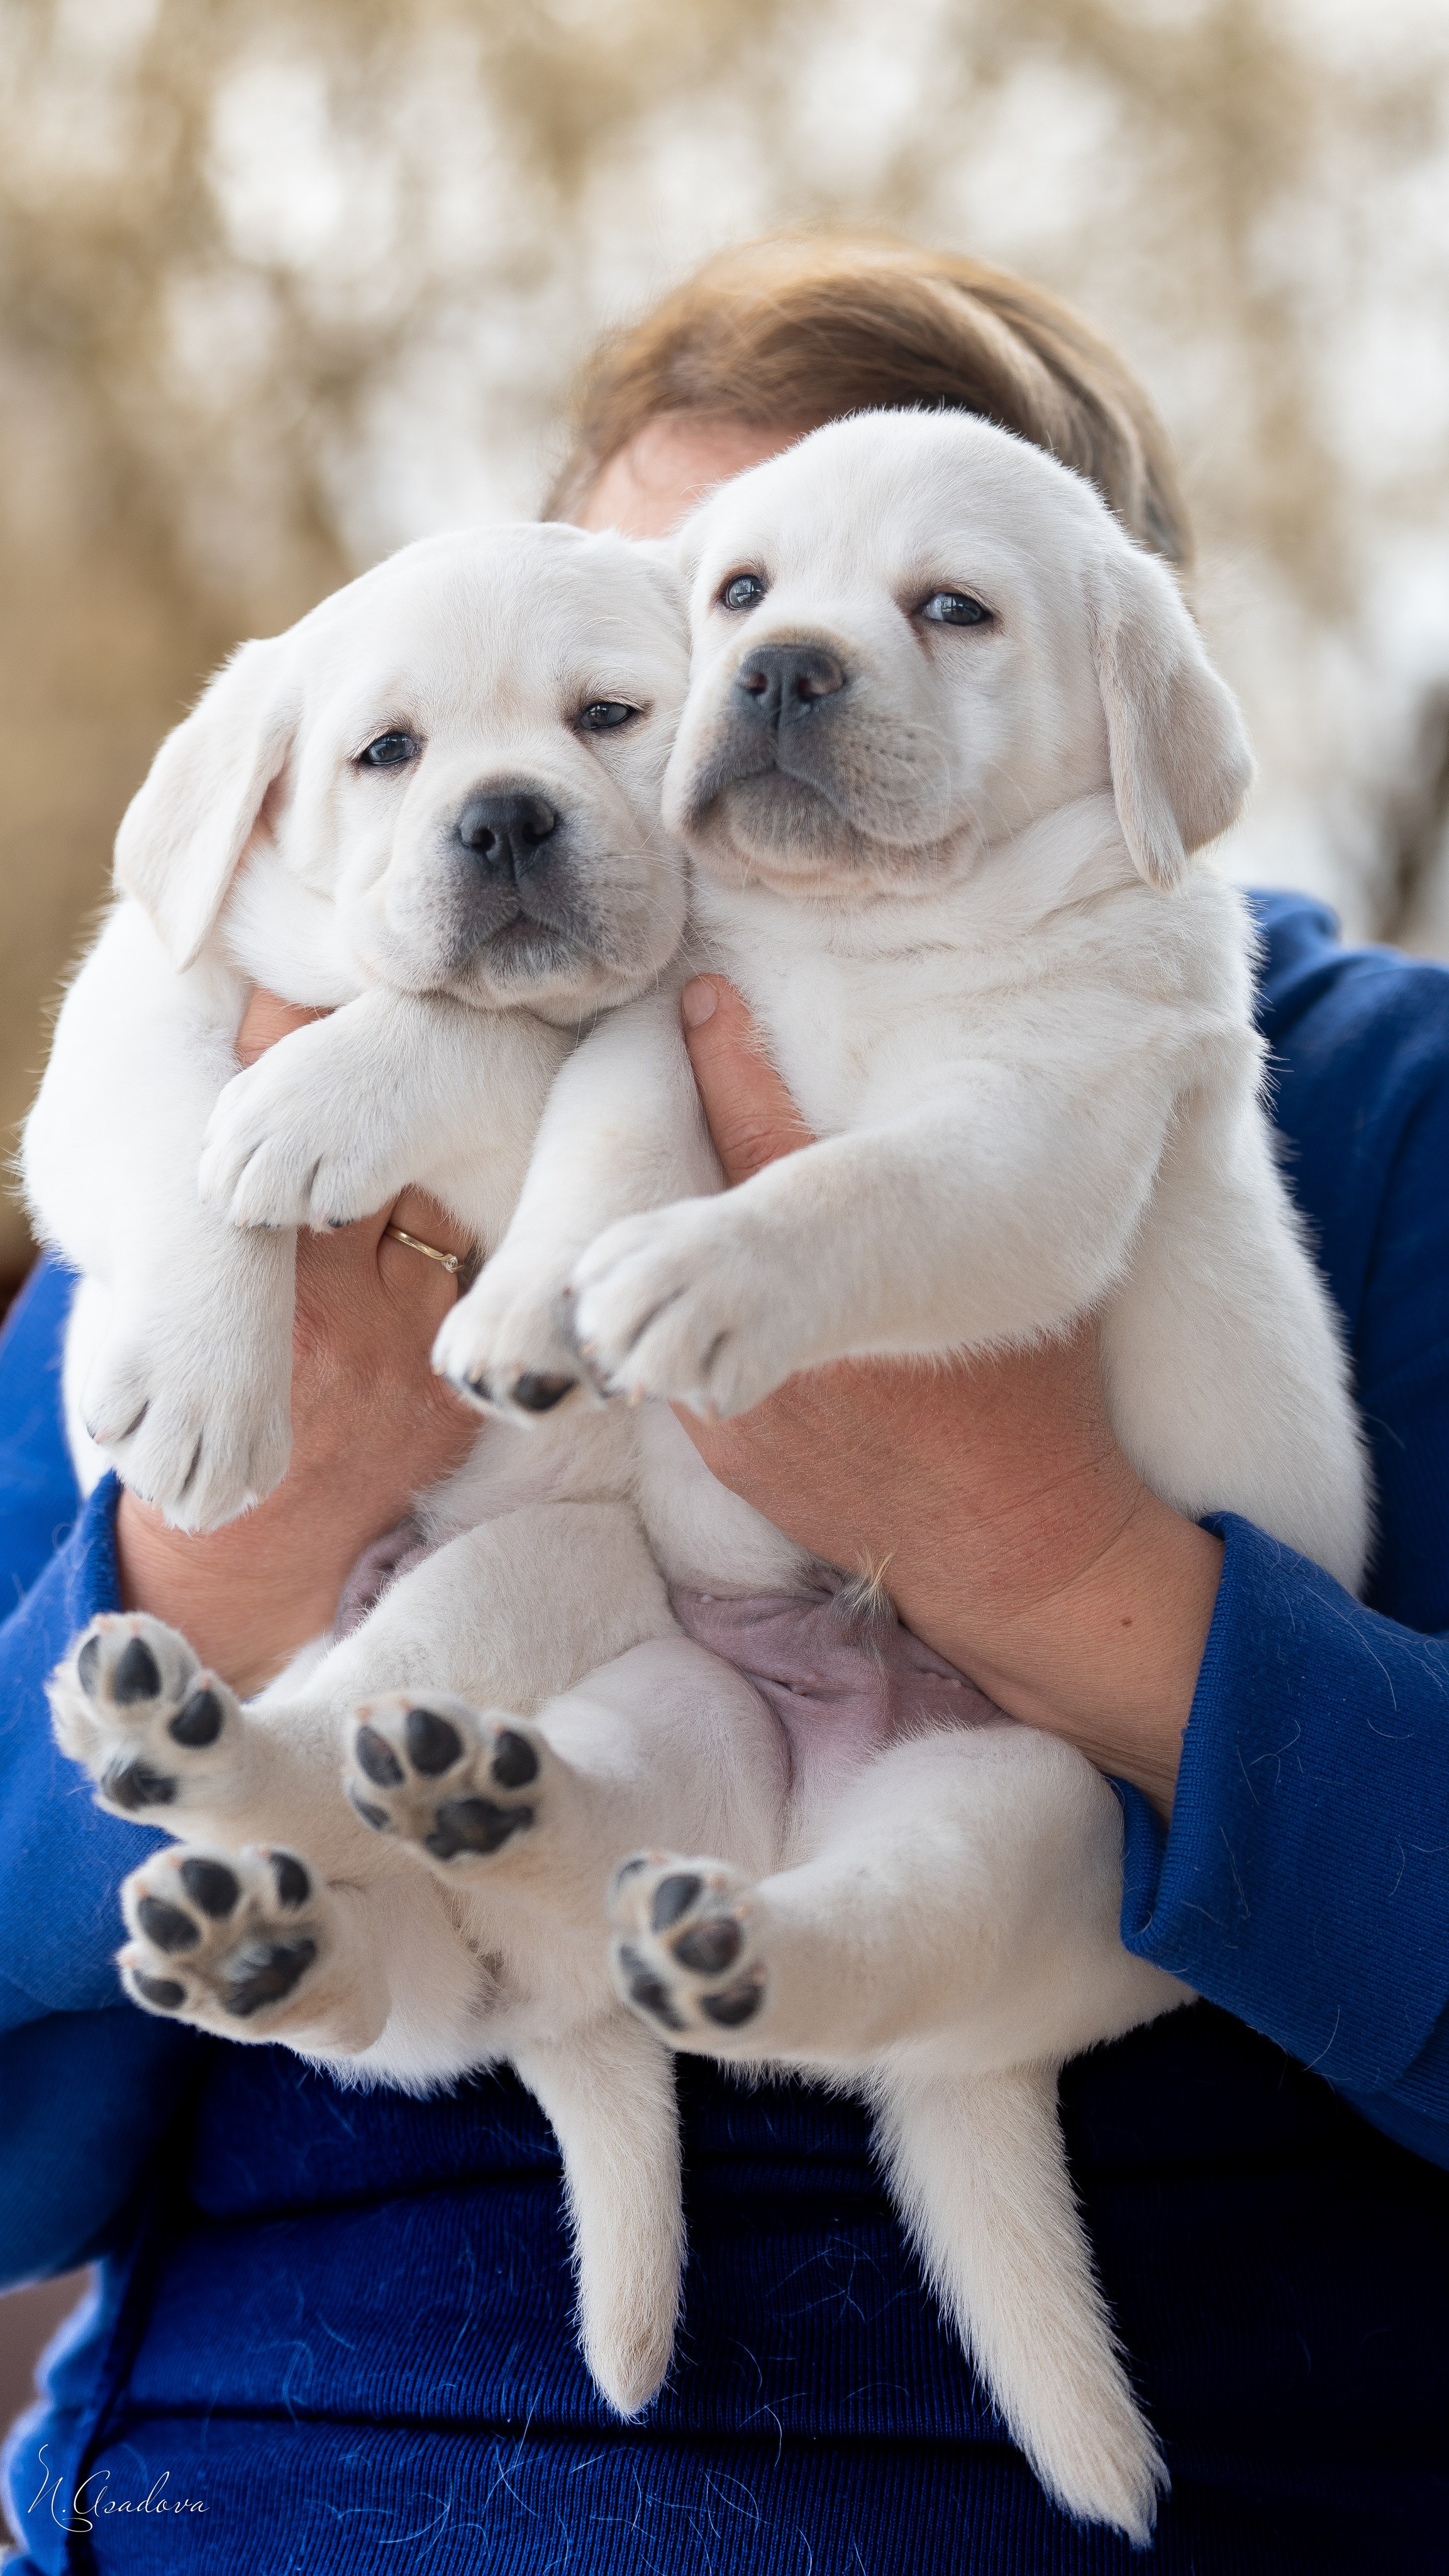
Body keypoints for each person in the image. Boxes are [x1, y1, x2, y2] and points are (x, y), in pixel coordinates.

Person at [2, 234, 1447, 2573]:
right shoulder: (263, 1117)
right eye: (692, 625)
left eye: (941, 603)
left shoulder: (1380, 1097)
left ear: (1117, 683)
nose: (777, 687)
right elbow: (12, 2160)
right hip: (262, 2461)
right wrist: (243, 1546)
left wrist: (1061, 1570)